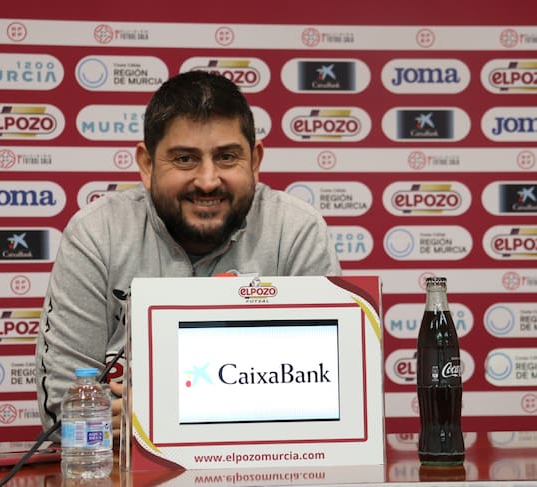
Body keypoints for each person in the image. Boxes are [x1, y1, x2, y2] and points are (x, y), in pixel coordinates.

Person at [35, 70, 341, 443]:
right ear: (147, 165)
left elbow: (328, 398)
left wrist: (159, 414)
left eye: (226, 157)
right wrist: (252, 407)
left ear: (254, 162)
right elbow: (66, 411)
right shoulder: (97, 233)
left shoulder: (297, 232)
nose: (208, 181)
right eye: (185, 159)